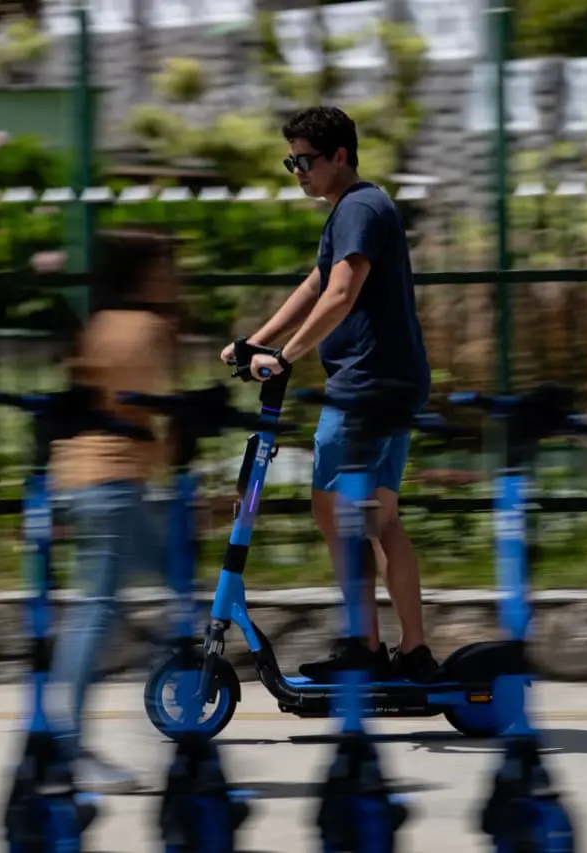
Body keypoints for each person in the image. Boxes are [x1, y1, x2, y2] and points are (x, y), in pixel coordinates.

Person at [220, 105, 439, 683]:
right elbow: (317, 283)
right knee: (380, 517)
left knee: (335, 510)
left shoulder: (360, 207)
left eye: (305, 161)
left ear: (340, 155)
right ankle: (413, 650)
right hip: (391, 379)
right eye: (291, 161)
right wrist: (258, 341)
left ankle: (365, 647)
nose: (298, 171)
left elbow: (341, 293)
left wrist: (284, 357)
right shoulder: (356, 208)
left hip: (365, 384)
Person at [48, 228, 181, 793]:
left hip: (84, 478)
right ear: (145, 273)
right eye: (167, 266)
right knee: (100, 611)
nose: (176, 277)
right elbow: (152, 410)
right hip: (114, 483)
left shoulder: (101, 322)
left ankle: (169, 722)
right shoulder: (145, 329)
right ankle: (66, 749)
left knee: (173, 591)